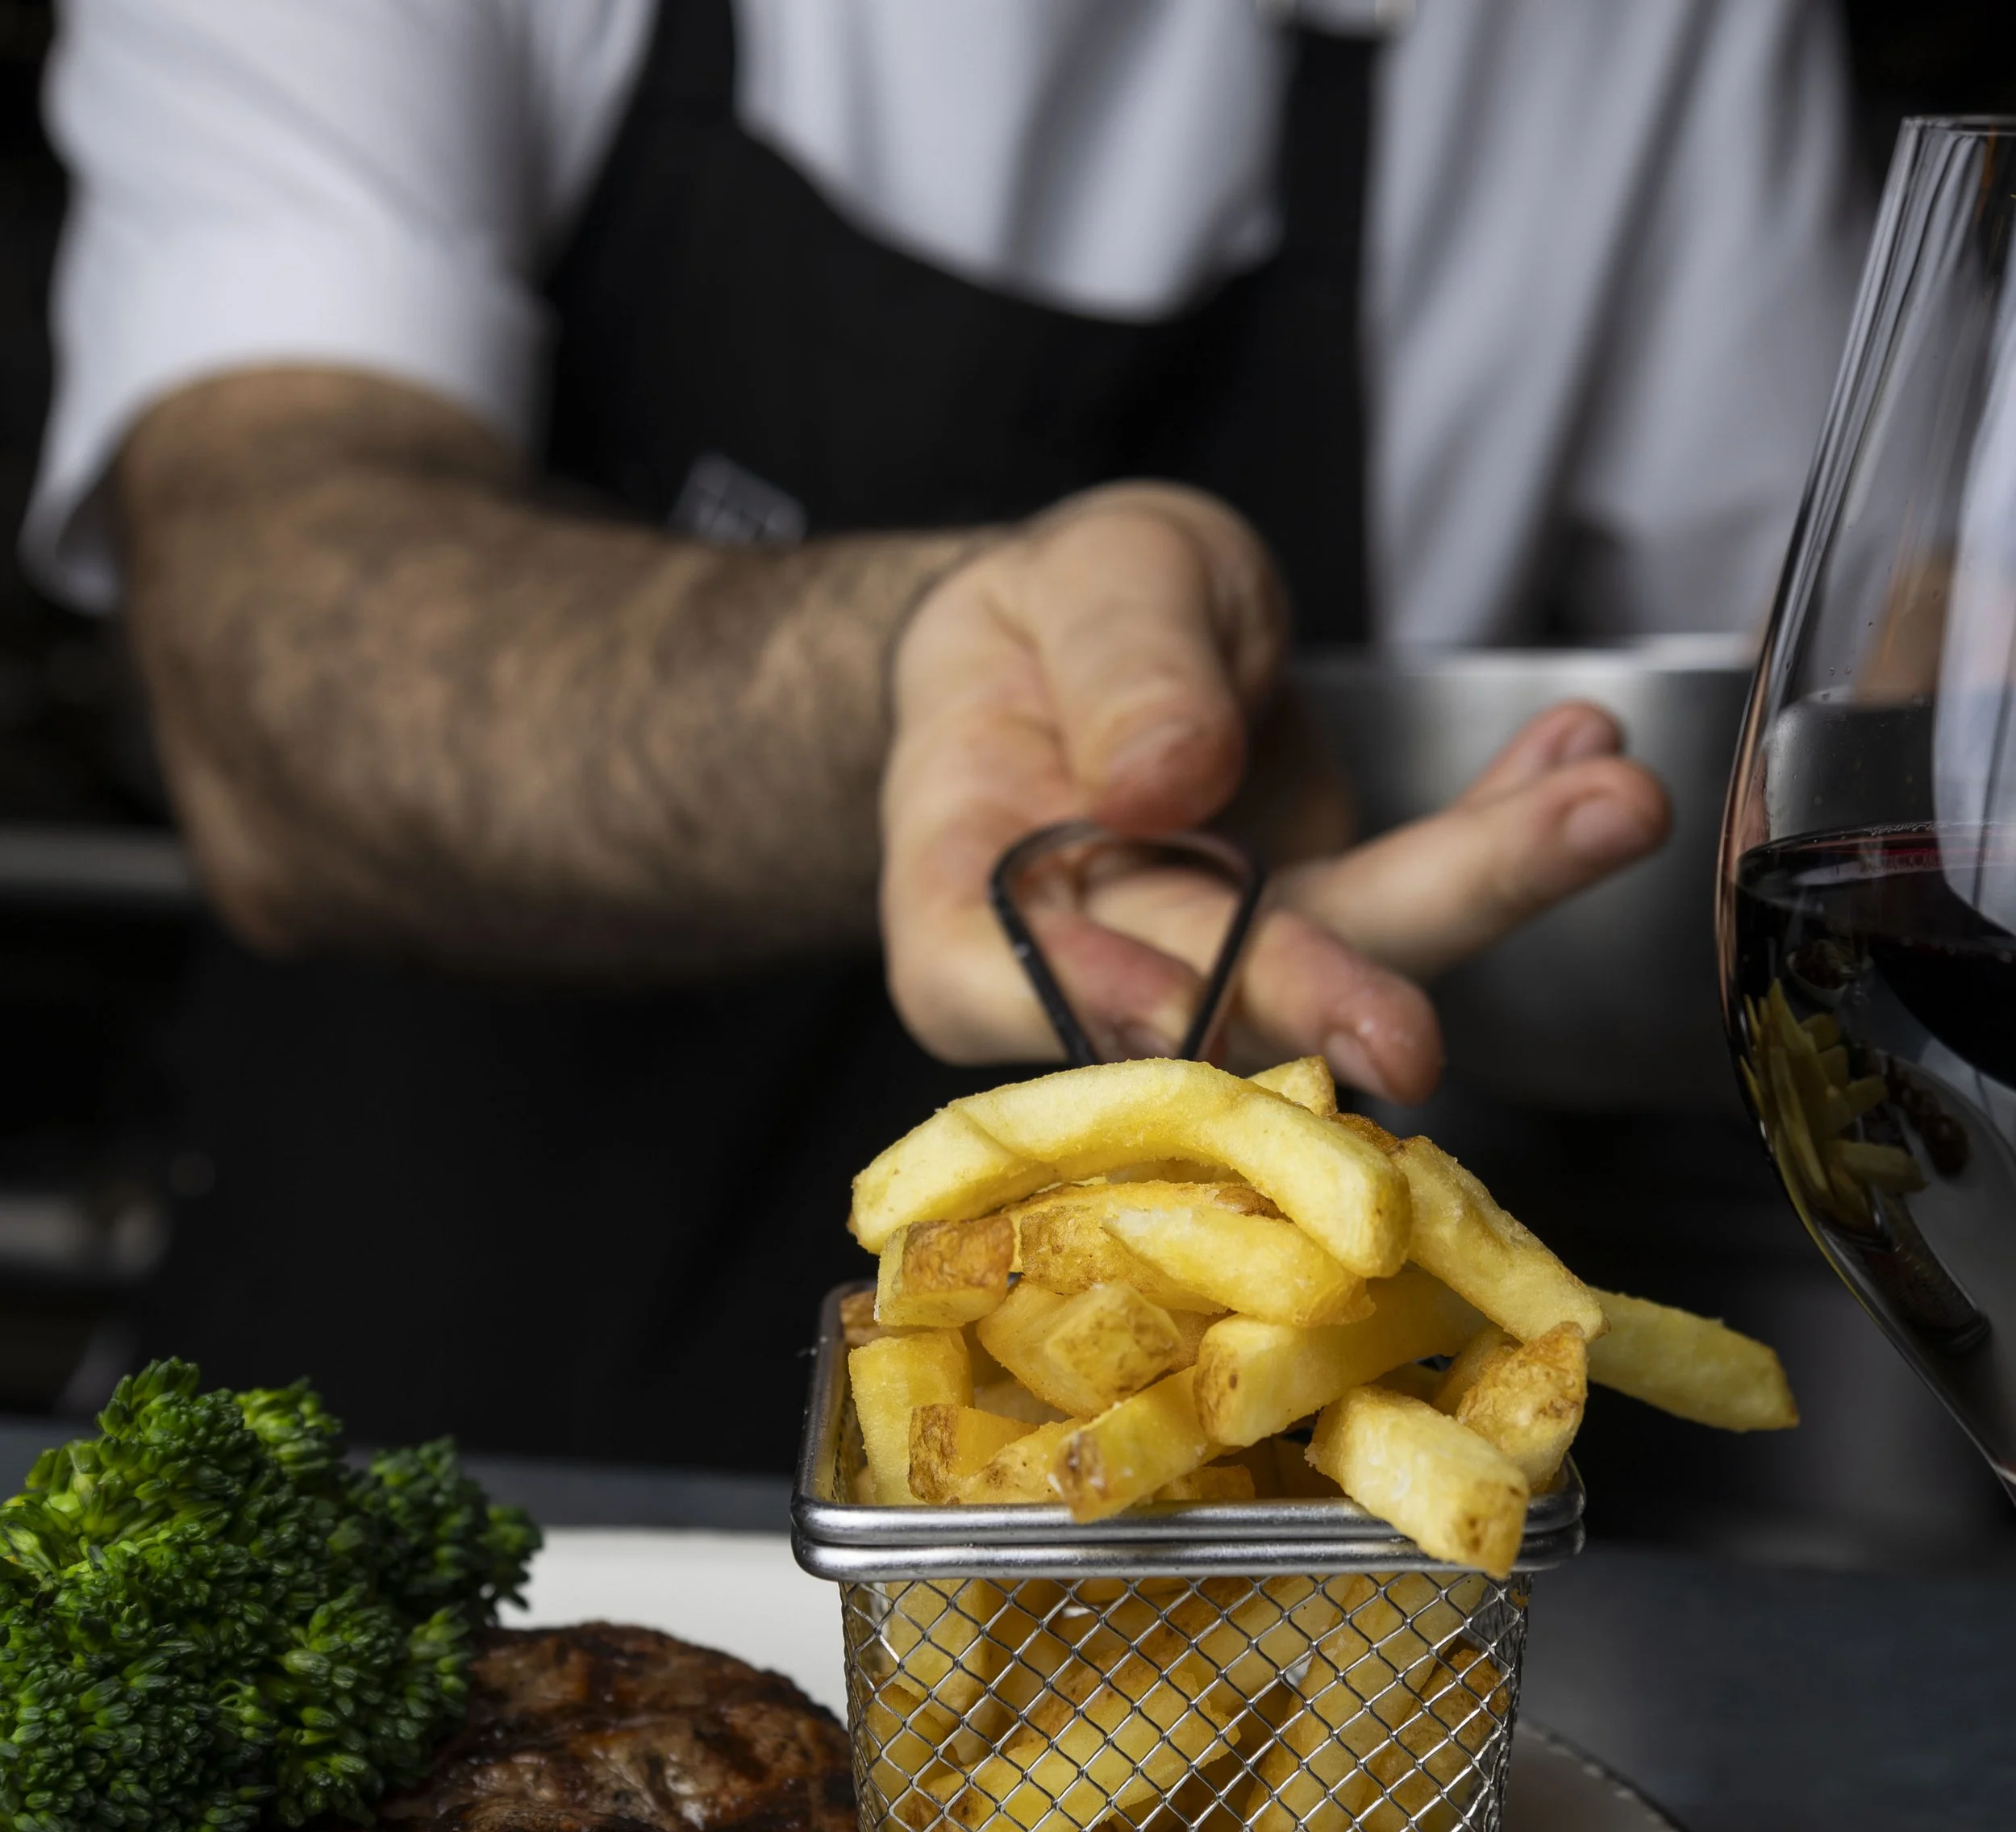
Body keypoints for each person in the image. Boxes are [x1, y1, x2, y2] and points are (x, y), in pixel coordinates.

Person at [25, 0, 1866, 1466]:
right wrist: (909, 674)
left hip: (1185, 1603)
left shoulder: (1648, 30)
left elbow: (1858, 648)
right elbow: (280, 642)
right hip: (409, 1479)